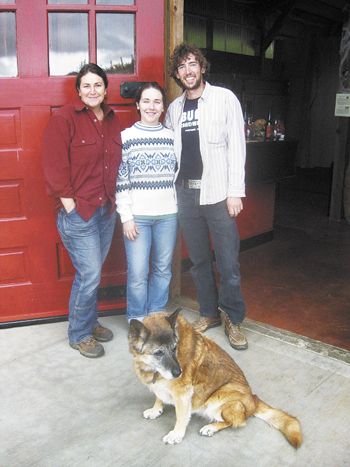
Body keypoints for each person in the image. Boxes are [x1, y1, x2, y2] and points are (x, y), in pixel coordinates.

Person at [165, 43, 248, 350]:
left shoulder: (225, 99)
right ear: (177, 74)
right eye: (181, 67)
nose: (188, 71)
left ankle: (233, 319)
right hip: (186, 193)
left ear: (201, 67)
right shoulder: (174, 109)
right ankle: (209, 313)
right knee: (199, 261)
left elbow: (237, 147)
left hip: (217, 193)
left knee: (228, 262)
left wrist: (235, 191)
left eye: (192, 64)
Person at [42, 63, 122, 358]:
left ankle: (89, 321)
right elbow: (53, 166)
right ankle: (79, 333)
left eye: (98, 85)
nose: (92, 91)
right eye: (86, 86)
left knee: (93, 273)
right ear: (78, 91)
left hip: (105, 211)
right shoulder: (64, 119)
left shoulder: (112, 120)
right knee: (90, 274)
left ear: (105, 89)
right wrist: (70, 207)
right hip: (80, 212)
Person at [116, 82, 177, 322]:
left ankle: (156, 314)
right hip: (138, 217)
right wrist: (126, 217)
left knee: (163, 269)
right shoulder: (126, 138)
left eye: (157, 101)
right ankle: (137, 318)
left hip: (168, 216)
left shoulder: (172, 137)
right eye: (147, 101)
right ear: (137, 105)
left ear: (163, 107)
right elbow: (121, 181)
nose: (152, 106)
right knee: (138, 273)